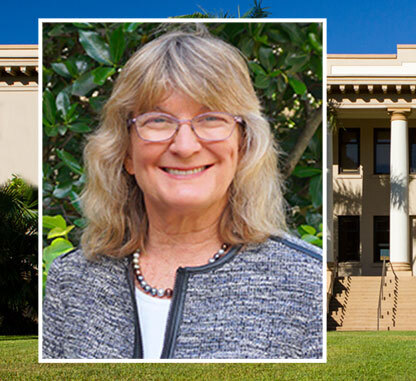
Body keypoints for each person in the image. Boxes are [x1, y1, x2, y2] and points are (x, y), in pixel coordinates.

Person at [42, 28, 323, 360]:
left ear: (243, 145)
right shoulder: (70, 282)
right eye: (158, 120)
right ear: (126, 151)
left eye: (211, 118)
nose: (185, 146)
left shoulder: (308, 283)